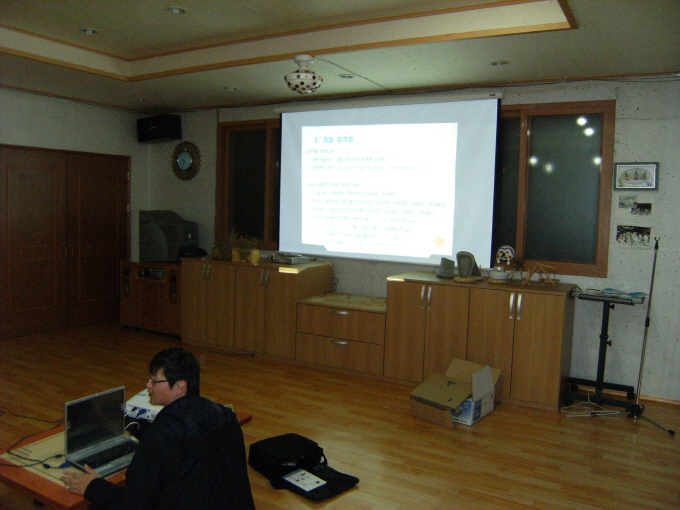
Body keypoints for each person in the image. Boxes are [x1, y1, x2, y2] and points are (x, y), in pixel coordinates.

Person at [60, 347, 255, 510]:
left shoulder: (161, 435)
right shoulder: (226, 417)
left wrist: (93, 487)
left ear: (179, 387)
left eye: (154, 380)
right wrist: (141, 430)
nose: (147, 385)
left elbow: (134, 504)